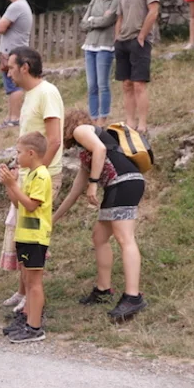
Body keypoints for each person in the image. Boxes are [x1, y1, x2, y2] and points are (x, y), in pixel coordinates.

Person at [55, 109, 148, 321]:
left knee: (125, 238)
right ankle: (103, 290)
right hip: (121, 185)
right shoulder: (86, 152)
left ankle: (133, 297)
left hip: (124, 183)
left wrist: (94, 184)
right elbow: (74, 192)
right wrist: (53, 219)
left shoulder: (81, 130)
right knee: (99, 237)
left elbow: (100, 149)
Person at [0, 47, 64, 319]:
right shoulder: (29, 95)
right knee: (21, 234)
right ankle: (23, 291)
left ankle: (32, 299)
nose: (8, 73)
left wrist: (39, 174)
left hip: (42, 176)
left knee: (32, 237)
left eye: (11, 68)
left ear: (25, 67)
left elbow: (54, 139)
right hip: (28, 175)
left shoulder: (47, 92)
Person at [0, 132, 53, 344]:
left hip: (35, 236)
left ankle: (35, 327)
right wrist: (9, 184)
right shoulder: (30, 174)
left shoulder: (41, 175)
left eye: (19, 152)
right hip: (24, 235)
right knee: (28, 281)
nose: (16, 156)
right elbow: (18, 203)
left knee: (34, 282)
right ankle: (28, 319)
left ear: (31, 153)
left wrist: (13, 185)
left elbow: (31, 205)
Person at [113, 0, 160, 135]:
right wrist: (117, 37)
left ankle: (142, 124)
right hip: (123, 42)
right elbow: (120, 16)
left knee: (139, 83)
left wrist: (142, 35)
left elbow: (153, 11)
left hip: (139, 41)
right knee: (126, 84)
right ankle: (130, 123)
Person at [80, 0, 120, 126]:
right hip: (90, 46)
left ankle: (103, 118)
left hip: (105, 46)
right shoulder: (94, 1)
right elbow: (83, 24)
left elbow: (108, 20)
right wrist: (95, 21)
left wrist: (92, 21)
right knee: (91, 85)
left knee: (103, 84)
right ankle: (93, 117)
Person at [0, 0, 34, 129]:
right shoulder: (22, 5)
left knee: (14, 85)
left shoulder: (16, 6)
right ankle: (11, 117)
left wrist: (5, 24)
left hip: (13, 52)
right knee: (11, 85)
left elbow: (0, 27)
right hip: (16, 50)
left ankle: (15, 118)